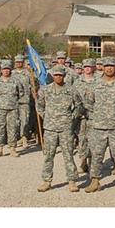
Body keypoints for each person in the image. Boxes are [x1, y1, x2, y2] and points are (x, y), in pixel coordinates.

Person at [80, 57, 115, 195]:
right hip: (98, 126)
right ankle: (95, 181)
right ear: (102, 67)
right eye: (106, 66)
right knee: (96, 155)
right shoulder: (95, 85)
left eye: (112, 66)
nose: (109, 68)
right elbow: (89, 103)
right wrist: (99, 116)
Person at [36, 65, 82, 193]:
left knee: (68, 155)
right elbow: (39, 106)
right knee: (48, 156)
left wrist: (72, 117)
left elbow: (79, 105)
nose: (58, 77)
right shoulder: (45, 90)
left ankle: (72, 181)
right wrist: (46, 117)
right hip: (50, 128)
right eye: (55, 75)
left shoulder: (71, 90)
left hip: (66, 128)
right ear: (52, 76)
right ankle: (46, 181)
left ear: (64, 76)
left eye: (60, 75)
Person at [0, 59, 24, 157]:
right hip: (0, 108)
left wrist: (13, 100)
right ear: (1, 70)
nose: (6, 71)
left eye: (8, 69)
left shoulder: (16, 81)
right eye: (4, 69)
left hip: (12, 108)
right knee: (0, 128)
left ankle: (12, 148)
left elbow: (21, 93)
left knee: (12, 128)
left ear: (10, 70)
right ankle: (0, 148)